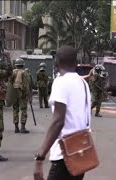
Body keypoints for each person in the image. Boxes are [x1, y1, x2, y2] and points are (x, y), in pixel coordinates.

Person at [34, 46, 91, 180]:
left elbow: (58, 121)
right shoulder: (83, 83)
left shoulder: (61, 82)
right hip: (82, 150)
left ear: (56, 62)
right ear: (76, 63)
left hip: (65, 154)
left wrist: (40, 157)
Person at [11, 58, 30, 134]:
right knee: (23, 110)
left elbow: (9, 82)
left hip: (14, 93)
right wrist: (27, 94)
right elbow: (26, 84)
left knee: (15, 110)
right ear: (22, 65)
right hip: (22, 94)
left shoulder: (13, 72)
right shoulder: (24, 73)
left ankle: (16, 127)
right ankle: (22, 127)